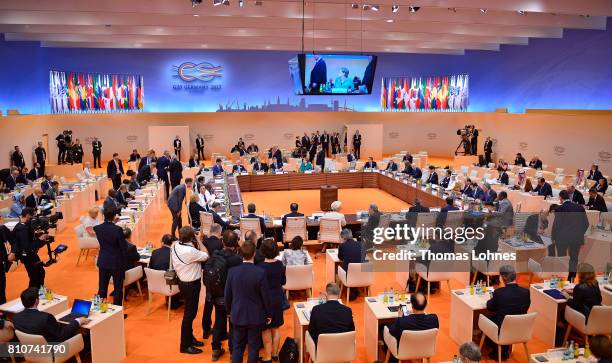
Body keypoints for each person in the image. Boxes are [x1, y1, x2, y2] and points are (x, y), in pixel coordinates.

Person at [225, 241, 271, 363]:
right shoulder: (260, 272)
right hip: (255, 316)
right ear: (254, 254)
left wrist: (229, 312)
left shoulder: (232, 272)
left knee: (237, 346)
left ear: (240, 254)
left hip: (237, 314)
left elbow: (227, 295)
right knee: (253, 347)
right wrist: (269, 314)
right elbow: (265, 296)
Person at [172, 226, 209, 354]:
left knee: (190, 314)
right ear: (192, 237)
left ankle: (190, 338)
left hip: (183, 282)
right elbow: (206, 255)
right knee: (189, 315)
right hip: (191, 285)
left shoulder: (175, 245)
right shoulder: (190, 251)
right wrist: (199, 240)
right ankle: (185, 345)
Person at [484, 265, 530, 360]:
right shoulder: (526, 292)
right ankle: (505, 349)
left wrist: (492, 299)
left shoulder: (499, 293)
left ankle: (495, 348)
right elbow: (526, 307)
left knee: (486, 318)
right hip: (521, 329)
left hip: (502, 329)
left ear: (502, 278)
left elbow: (490, 307)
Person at [13, 287, 86, 342]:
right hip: (54, 350)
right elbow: (62, 334)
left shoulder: (16, 318)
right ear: (36, 300)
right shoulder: (46, 318)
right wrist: (77, 321)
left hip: (31, 351)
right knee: (83, 336)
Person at [386, 292, 439, 363]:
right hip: (425, 350)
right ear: (426, 305)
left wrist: (399, 317)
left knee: (384, 328)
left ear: (412, 305)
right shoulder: (434, 319)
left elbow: (392, 331)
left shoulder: (403, 321)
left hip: (403, 352)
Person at [552, 190, 589, 280]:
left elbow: (556, 225)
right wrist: (579, 233)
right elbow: (586, 224)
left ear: (560, 198)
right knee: (574, 258)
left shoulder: (560, 209)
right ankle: (571, 278)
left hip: (562, 238)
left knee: (562, 258)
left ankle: (561, 277)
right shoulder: (580, 208)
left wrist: (553, 237)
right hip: (576, 238)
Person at [259, 239, 286, 363]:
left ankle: (268, 357)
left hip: (264, 301)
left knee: (266, 329)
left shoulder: (259, 266)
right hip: (277, 299)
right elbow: (283, 282)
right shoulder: (280, 264)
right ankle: (275, 354)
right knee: (276, 328)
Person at [94, 207, 127, 307]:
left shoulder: (97, 228)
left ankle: (100, 307)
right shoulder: (118, 229)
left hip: (103, 261)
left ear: (103, 215)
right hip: (116, 263)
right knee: (117, 288)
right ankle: (117, 311)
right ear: (114, 216)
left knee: (102, 287)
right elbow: (123, 247)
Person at [10, 208, 48, 287]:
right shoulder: (22, 229)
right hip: (27, 257)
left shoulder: (24, 226)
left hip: (31, 255)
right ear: (27, 215)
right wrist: (40, 240)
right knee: (34, 277)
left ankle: (38, 293)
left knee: (40, 273)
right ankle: (32, 296)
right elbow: (27, 247)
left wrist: (40, 238)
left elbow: (30, 241)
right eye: (32, 215)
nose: (33, 218)